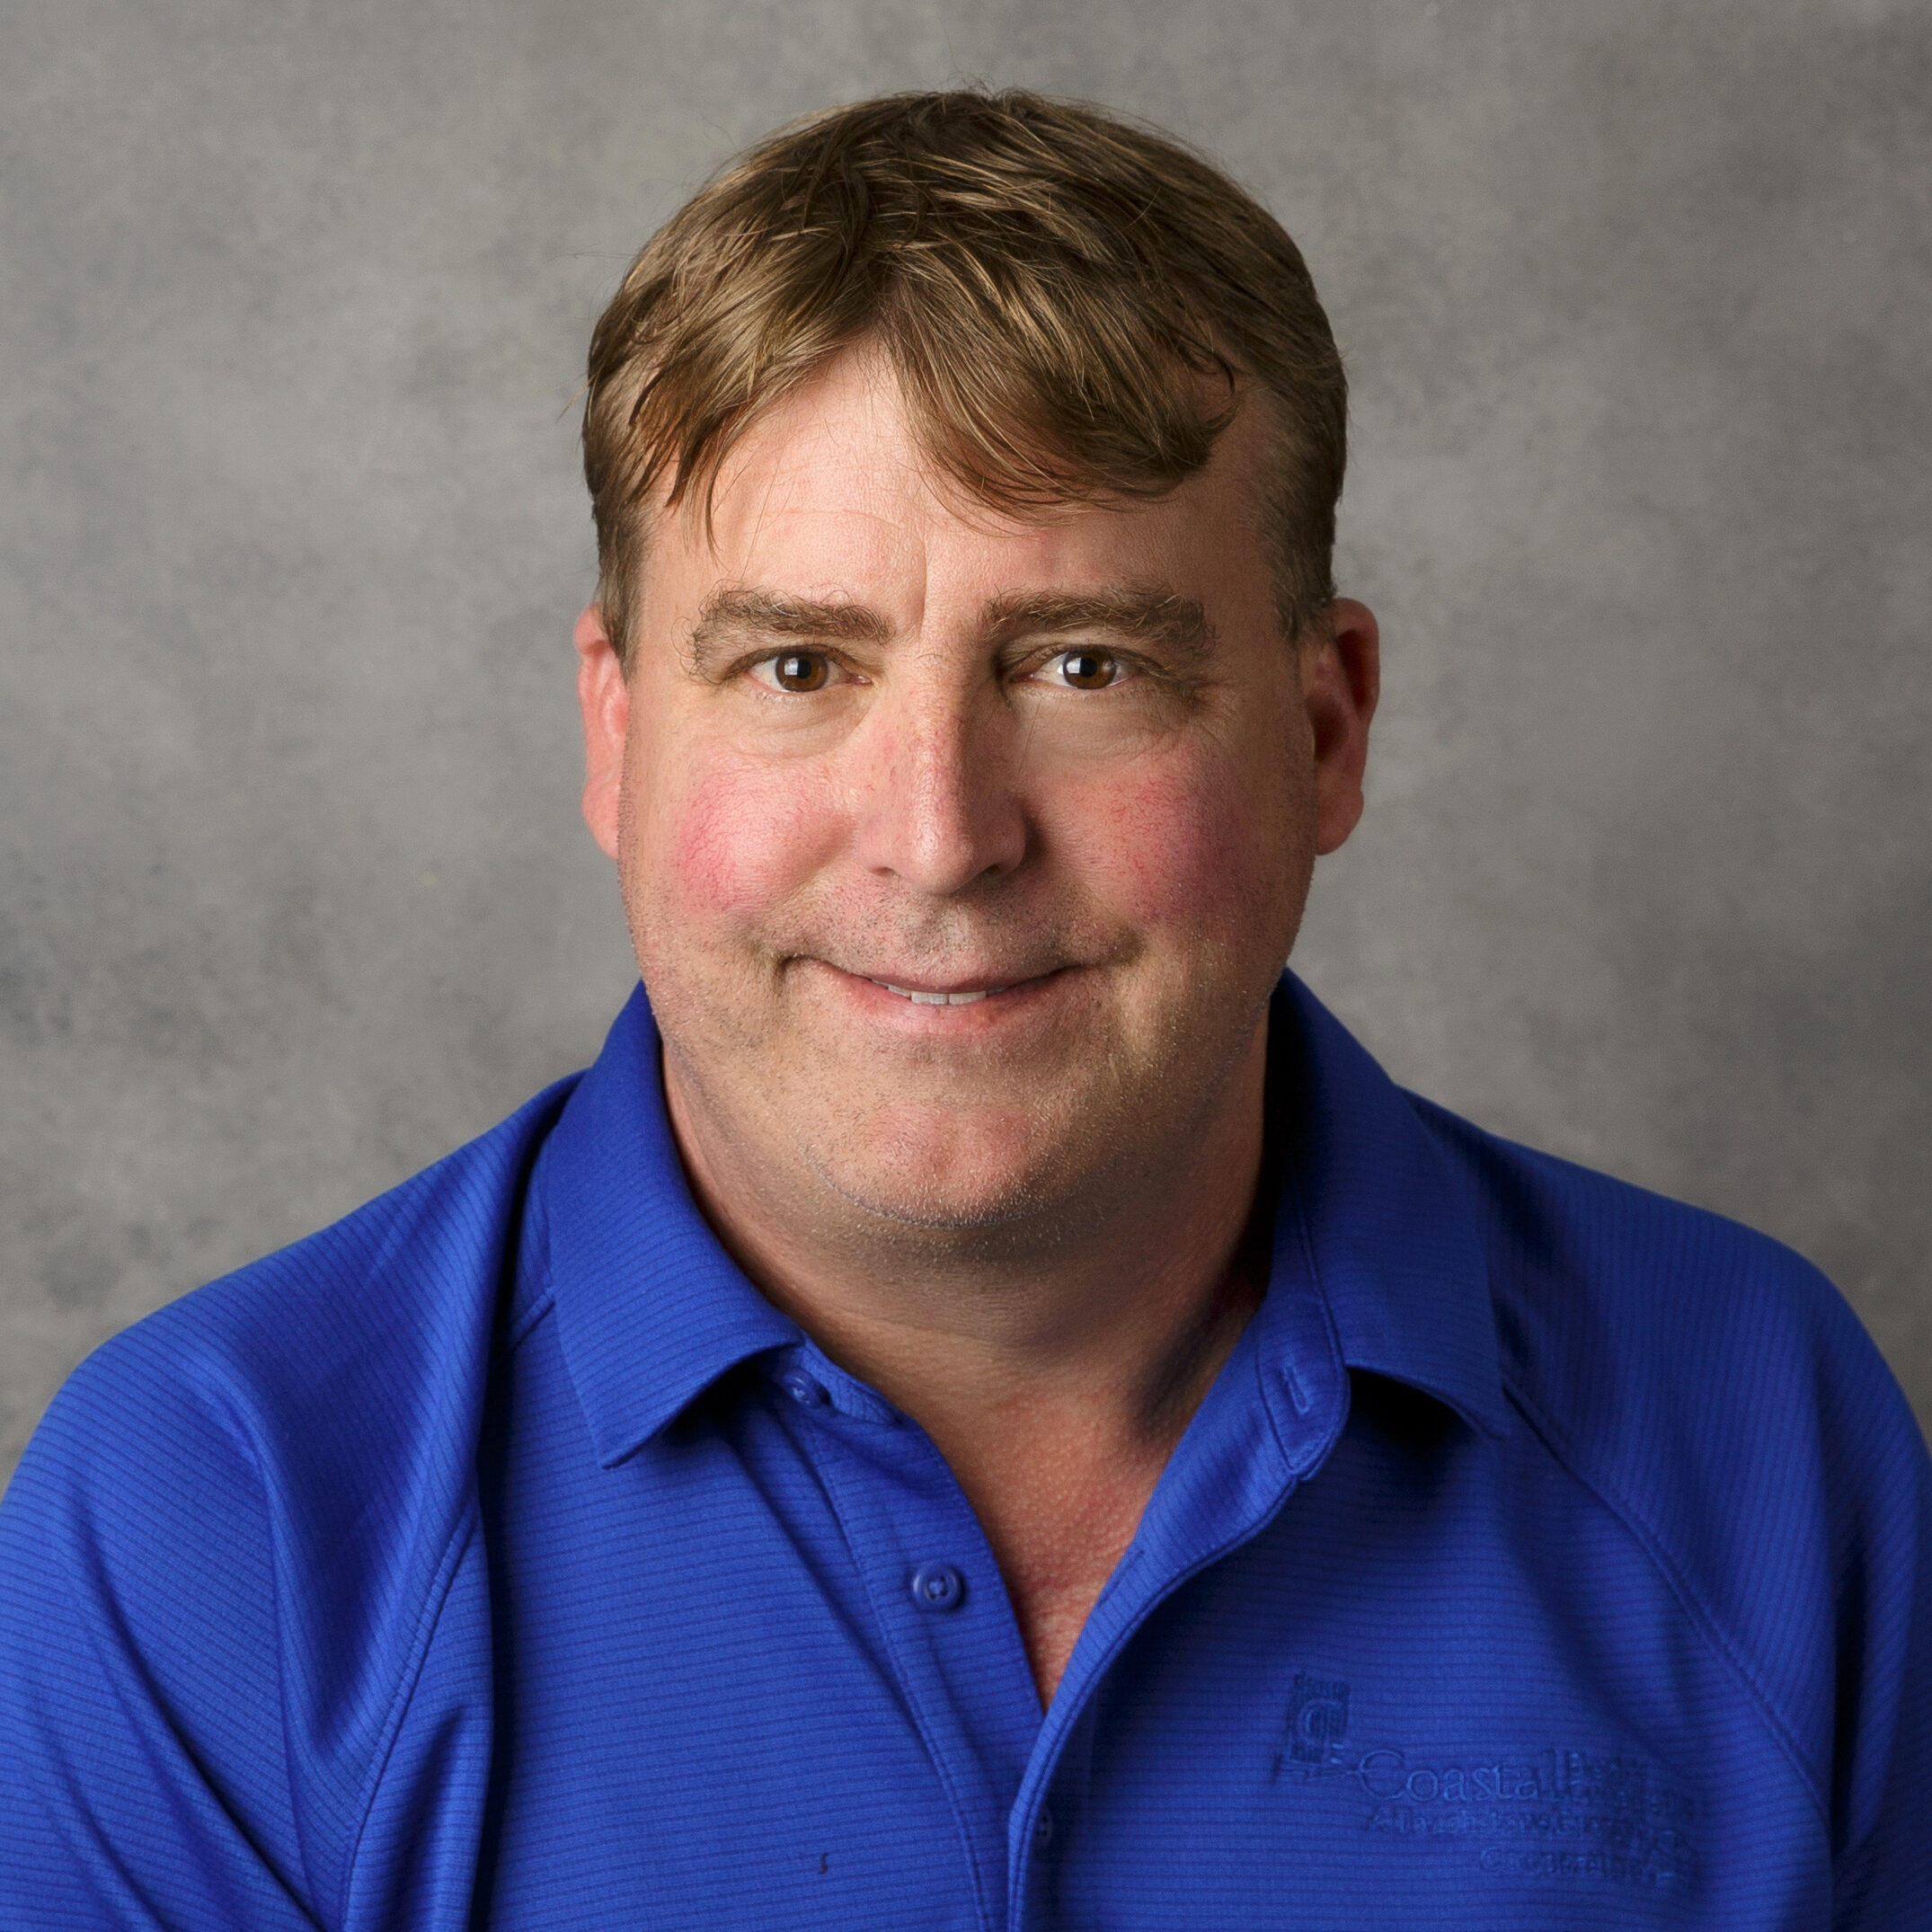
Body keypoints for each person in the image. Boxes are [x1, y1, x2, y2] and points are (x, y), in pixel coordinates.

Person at [0, 87, 1925, 1931]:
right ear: (615, 734)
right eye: (795, 668)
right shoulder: (217, 1520)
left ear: (1324, 730)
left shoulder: (1756, 1431)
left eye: (1083, 663)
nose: (939, 836)